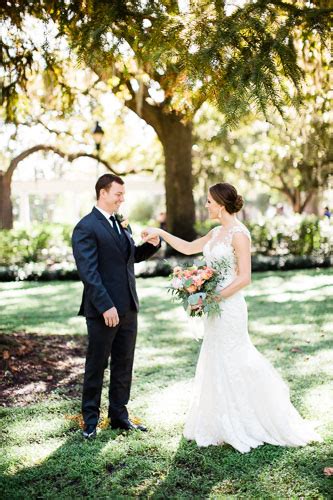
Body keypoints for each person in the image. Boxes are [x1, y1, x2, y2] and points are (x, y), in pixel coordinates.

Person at [142, 182, 321, 453]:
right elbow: (189, 248)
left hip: (230, 306)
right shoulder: (216, 232)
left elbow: (245, 278)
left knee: (235, 357)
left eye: (209, 202)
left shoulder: (239, 234)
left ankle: (249, 419)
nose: (206, 206)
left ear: (222, 204)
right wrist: (160, 233)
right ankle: (218, 422)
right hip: (214, 307)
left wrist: (212, 298)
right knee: (215, 356)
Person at [72, 173, 160, 439]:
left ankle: (119, 416)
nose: (123, 198)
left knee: (124, 362)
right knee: (96, 364)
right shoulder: (85, 227)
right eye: (118, 194)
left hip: (129, 306)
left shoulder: (121, 224)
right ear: (102, 193)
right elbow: (89, 272)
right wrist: (105, 306)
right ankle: (90, 420)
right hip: (103, 310)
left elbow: (128, 257)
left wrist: (151, 247)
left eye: (123, 194)